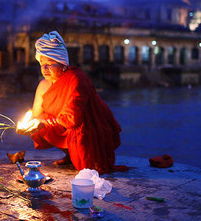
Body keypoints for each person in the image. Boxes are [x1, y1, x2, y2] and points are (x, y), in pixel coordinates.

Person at [18, 31, 128, 174]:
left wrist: (44, 122)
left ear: (63, 64)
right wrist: (28, 125)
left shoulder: (76, 79)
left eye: (50, 64)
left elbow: (72, 119)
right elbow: (36, 115)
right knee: (40, 123)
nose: (44, 69)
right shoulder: (44, 84)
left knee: (87, 166)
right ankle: (69, 154)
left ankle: (88, 156)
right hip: (66, 124)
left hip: (92, 129)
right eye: (42, 64)